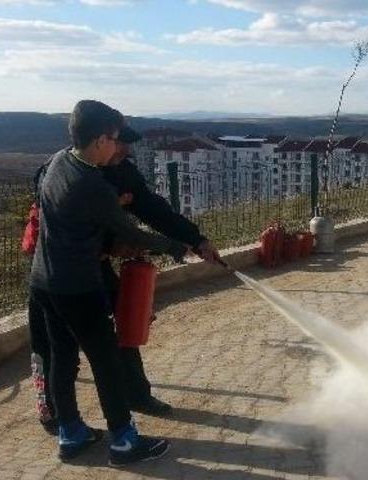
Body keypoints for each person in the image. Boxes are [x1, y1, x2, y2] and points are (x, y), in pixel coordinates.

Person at [30, 99, 186, 464]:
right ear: (100, 139)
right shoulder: (92, 184)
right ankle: (124, 442)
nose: (118, 147)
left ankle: (71, 435)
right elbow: (132, 233)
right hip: (77, 287)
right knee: (107, 362)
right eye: (115, 140)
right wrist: (173, 246)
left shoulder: (57, 161)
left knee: (62, 358)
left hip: (43, 284)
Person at [99, 125, 222, 414]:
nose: (126, 150)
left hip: (98, 262)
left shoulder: (123, 172)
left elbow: (155, 211)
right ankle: (57, 414)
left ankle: (137, 396)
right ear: (101, 140)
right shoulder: (73, 173)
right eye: (120, 143)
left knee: (126, 324)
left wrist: (197, 239)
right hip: (61, 269)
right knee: (63, 348)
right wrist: (116, 240)